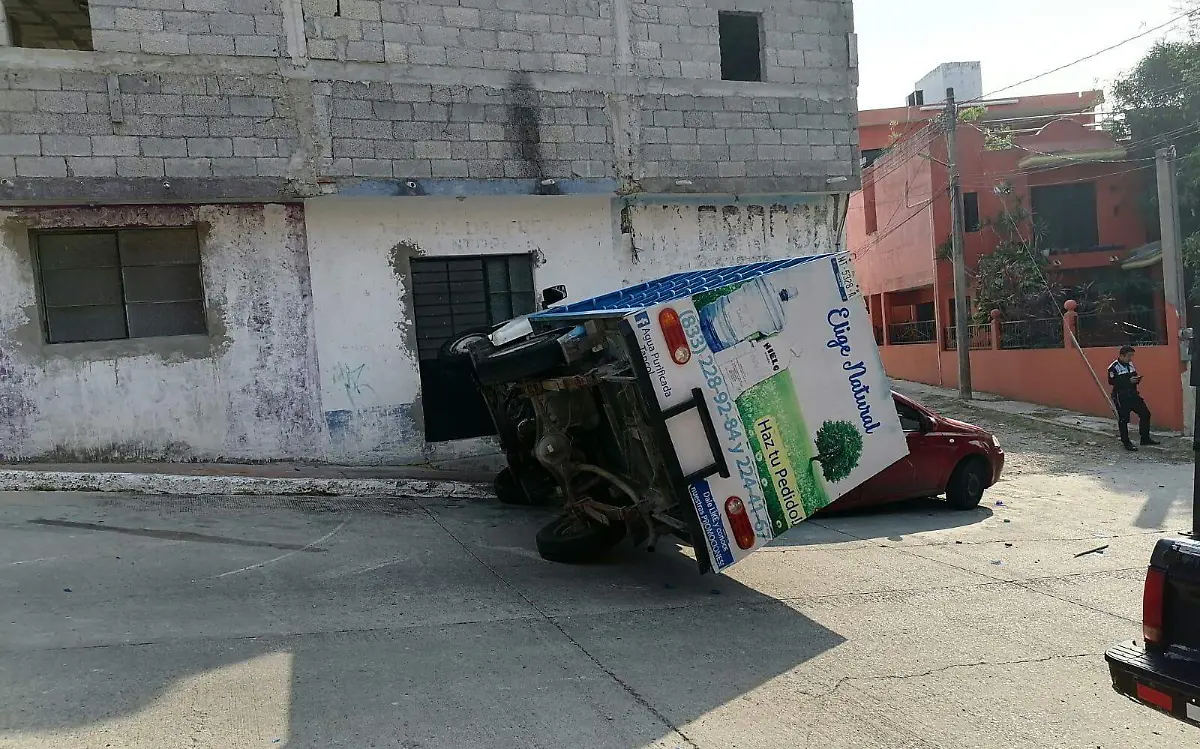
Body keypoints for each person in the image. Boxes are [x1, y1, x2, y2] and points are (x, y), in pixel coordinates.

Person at [1108, 345, 1159, 451]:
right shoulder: (1113, 367)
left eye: (1132, 356)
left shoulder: (1130, 364)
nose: (1130, 358)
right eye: (1129, 356)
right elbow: (1112, 382)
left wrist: (1137, 379)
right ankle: (1126, 442)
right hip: (1121, 396)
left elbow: (1134, 375)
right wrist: (1128, 381)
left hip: (1133, 394)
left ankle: (1145, 438)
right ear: (1122, 355)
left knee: (1145, 414)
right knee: (1124, 419)